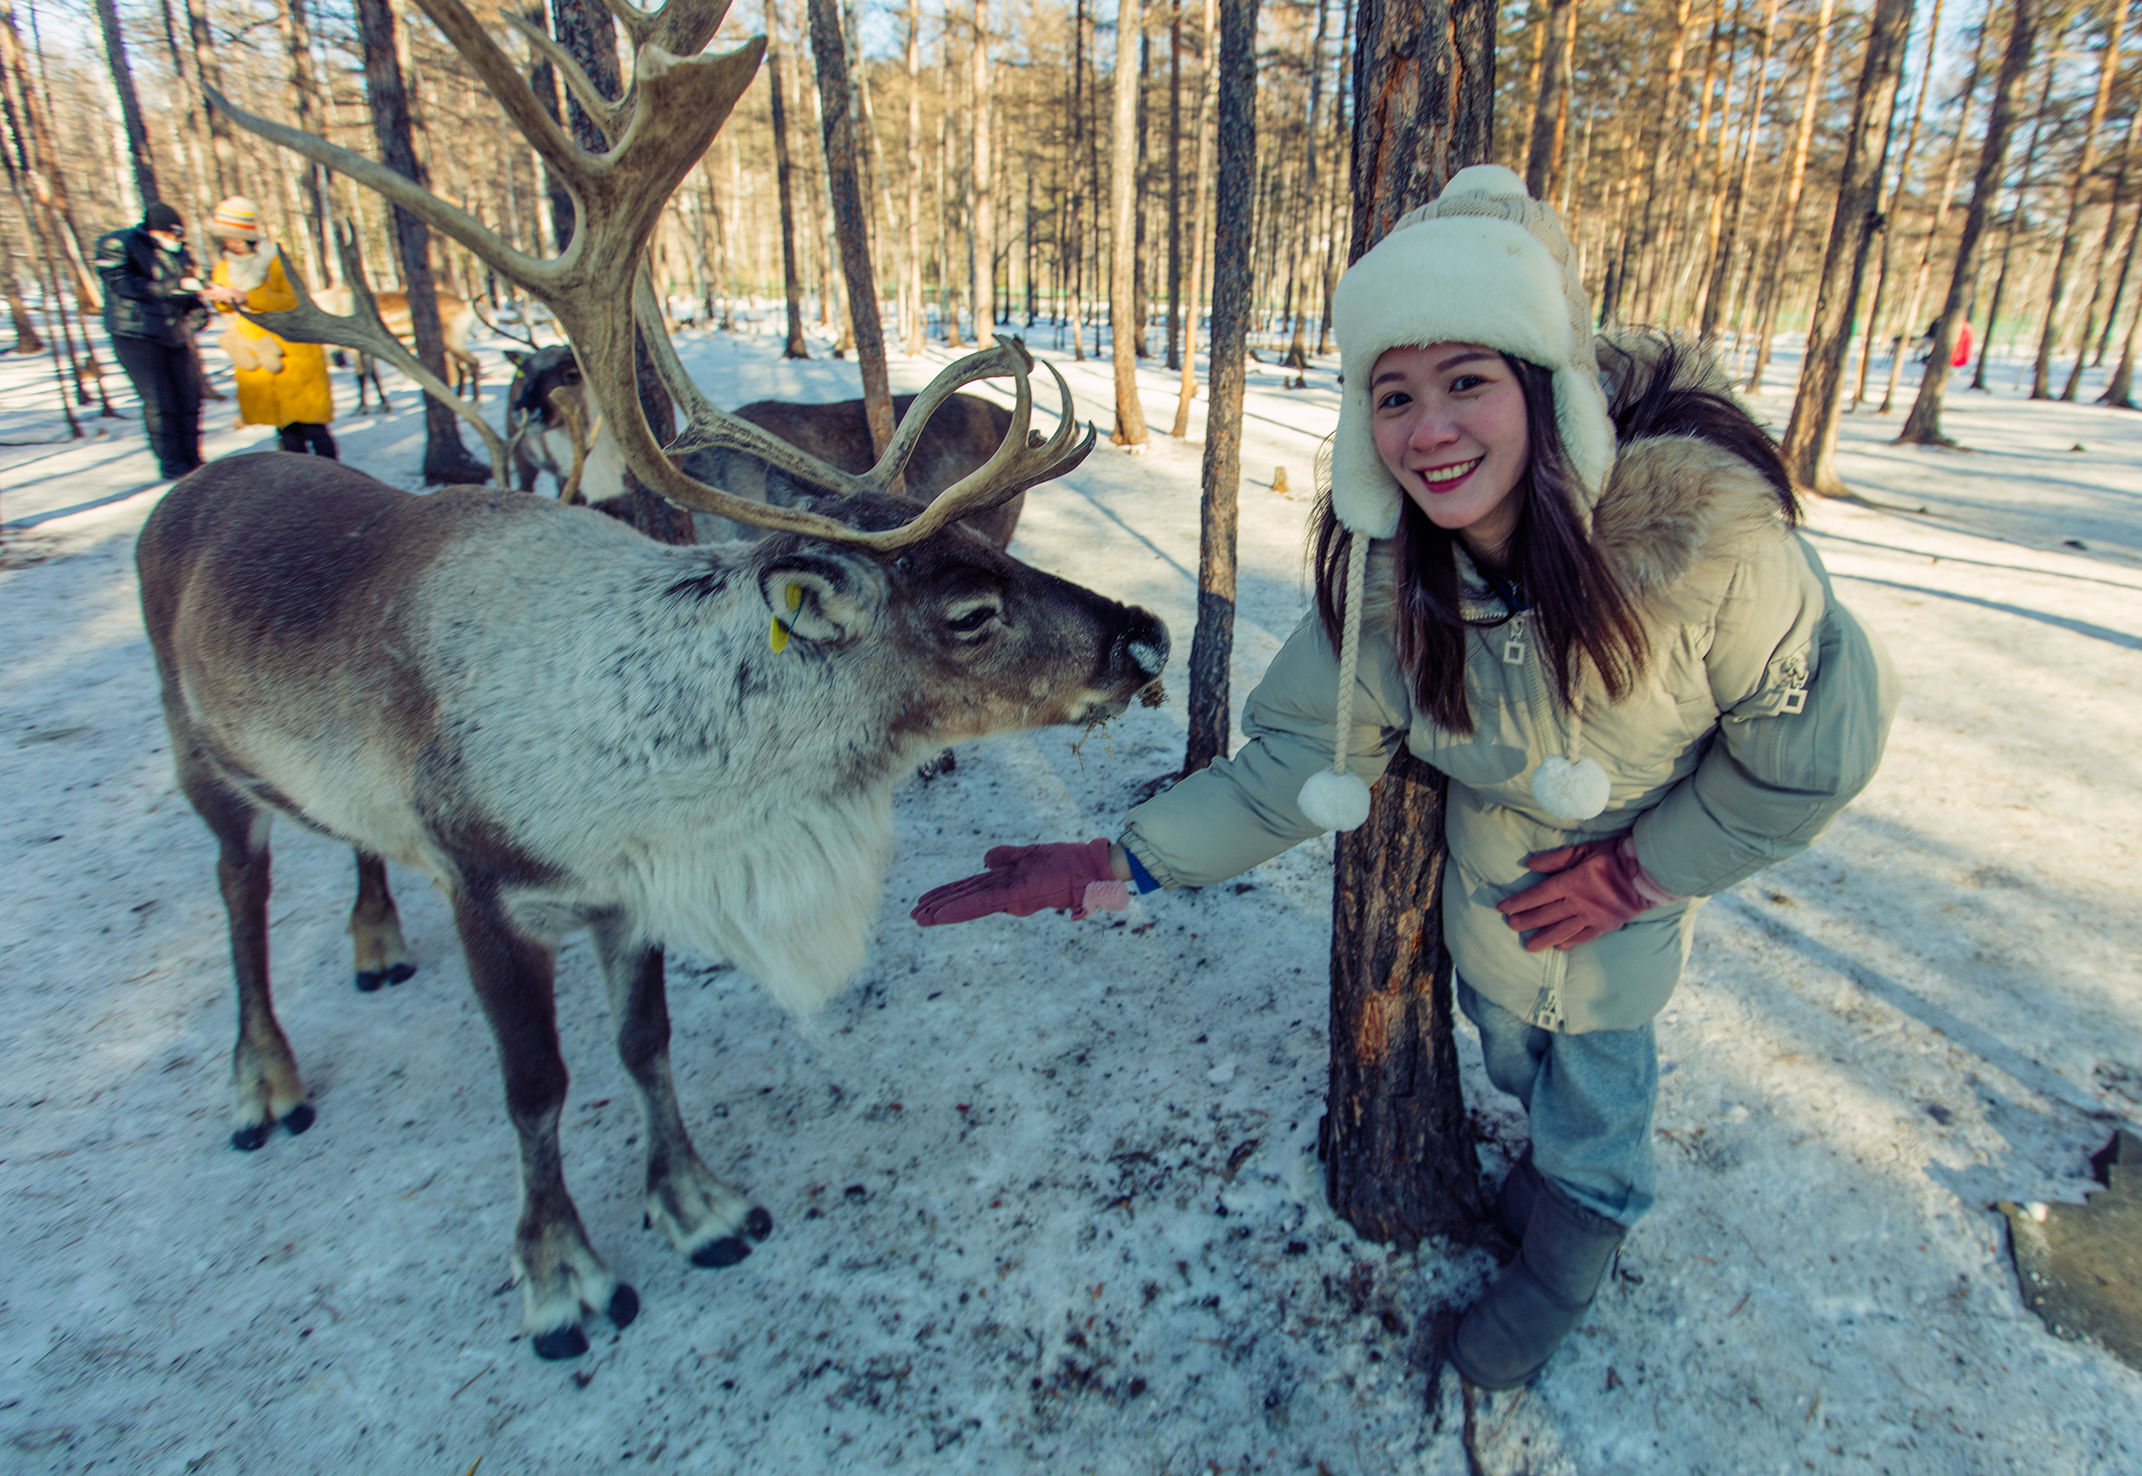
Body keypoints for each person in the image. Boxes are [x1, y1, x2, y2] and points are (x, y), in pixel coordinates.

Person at [911, 166, 1896, 1391]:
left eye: (1469, 382)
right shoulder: (1386, 593)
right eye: (1395, 394)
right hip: (1484, 909)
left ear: (1542, 390)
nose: (1431, 431)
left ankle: (1570, 1254)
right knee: (1514, 1053)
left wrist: (1641, 873)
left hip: (1624, 916)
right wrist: (1122, 863)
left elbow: (1815, 757)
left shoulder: (1707, 551)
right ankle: (1546, 1174)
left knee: (1597, 1076)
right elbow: (1291, 770)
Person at [204, 197, 337, 458]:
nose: (229, 243)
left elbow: (292, 300)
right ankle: (298, 480)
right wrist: (219, 299)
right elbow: (228, 308)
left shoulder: (275, 262)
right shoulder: (223, 268)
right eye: (226, 238)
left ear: (248, 236)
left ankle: (335, 477)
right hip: (259, 353)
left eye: (235, 237)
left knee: (312, 424)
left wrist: (246, 297)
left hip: (293, 353)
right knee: (285, 428)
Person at [94, 202, 209, 480]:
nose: (175, 241)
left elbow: (189, 291)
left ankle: (193, 460)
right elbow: (122, 282)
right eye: (170, 235)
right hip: (136, 333)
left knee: (189, 398)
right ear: (155, 231)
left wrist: (198, 313)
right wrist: (171, 288)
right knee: (161, 400)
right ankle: (172, 464)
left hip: (174, 333)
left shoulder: (180, 254)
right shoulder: (118, 244)